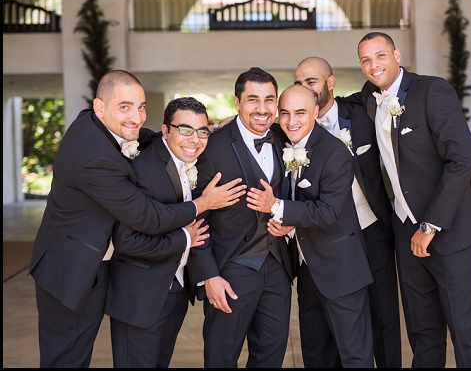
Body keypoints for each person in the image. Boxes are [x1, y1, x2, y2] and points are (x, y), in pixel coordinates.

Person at [28, 70, 246, 368]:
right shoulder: (95, 158)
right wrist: (203, 204)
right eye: (125, 107)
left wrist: (197, 131)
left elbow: (149, 136)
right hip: (70, 268)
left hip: (95, 267)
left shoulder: (94, 123)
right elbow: (146, 217)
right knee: (66, 359)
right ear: (99, 107)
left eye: (141, 106)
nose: (136, 116)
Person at [343, 32, 471, 367]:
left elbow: (463, 160)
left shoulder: (432, 90)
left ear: (396, 55)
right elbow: (327, 104)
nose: (373, 65)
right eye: (365, 60)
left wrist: (430, 224)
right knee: (422, 331)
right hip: (405, 232)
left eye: (380, 56)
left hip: (449, 230)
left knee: (464, 328)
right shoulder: (369, 98)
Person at [247, 84, 375, 368]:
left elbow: (329, 212)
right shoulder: (280, 141)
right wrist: (288, 226)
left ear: (316, 112)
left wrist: (276, 207)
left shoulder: (334, 153)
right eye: (285, 113)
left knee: (355, 355)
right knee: (315, 355)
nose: (292, 121)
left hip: (341, 270)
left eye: (300, 113)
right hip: (307, 271)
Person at [294, 56, 402, 368]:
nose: (305, 89)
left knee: (383, 317)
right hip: (323, 236)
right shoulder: (291, 126)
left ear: (330, 83)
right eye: (299, 82)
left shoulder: (361, 112)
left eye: (311, 81)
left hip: (370, 230)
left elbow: (386, 82)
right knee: (326, 326)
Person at [105, 97, 226, 367]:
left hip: (175, 290)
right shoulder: (143, 172)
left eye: (202, 131)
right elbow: (126, 240)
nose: (194, 139)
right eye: (185, 130)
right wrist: (185, 238)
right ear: (165, 130)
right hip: (141, 296)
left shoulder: (190, 161)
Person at [188, 67, 295, 368]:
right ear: (237, 102)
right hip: (230, 270)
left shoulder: (285, 138)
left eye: (269, 100)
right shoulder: (212, 147)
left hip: (277, 268)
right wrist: (208, 274)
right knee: (221, 359)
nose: (262, 109)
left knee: (270, 357)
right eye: (253, 99)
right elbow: (198, 215)